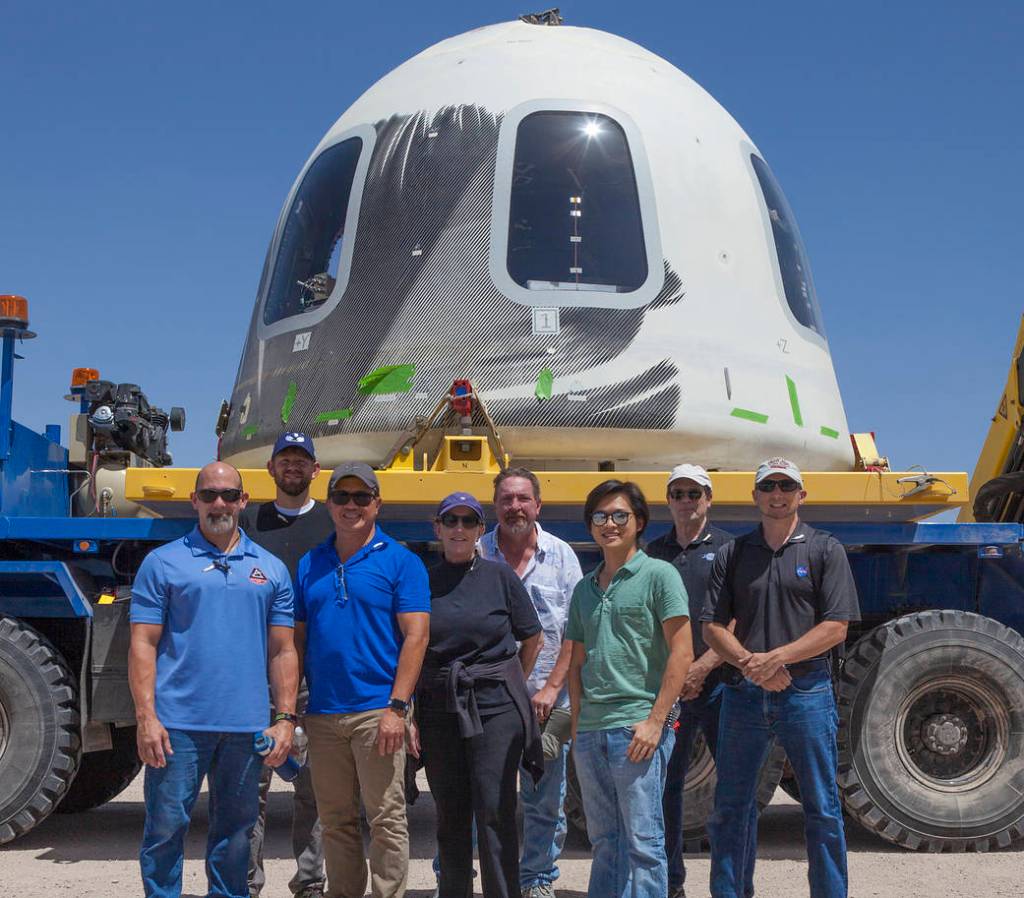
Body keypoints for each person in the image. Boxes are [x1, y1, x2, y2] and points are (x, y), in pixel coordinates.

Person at [129, 461, 299, 898]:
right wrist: (147, 717)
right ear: (194, 501)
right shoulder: (162, 563)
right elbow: (143, 644)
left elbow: (283, 650)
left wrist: (284, 719)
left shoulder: (271, 569)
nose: (218, 503)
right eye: (208, 495)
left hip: (245, 728)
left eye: (228, 494)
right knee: (166, 829)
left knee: (236, 834)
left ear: (244, 500)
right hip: (177, 726)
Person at [702, 458, 860, 898]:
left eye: (786, 485)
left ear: (801, 495)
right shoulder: (735, 553)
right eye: (767, 486)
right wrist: (751, 664)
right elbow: (712, 626)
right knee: (730, 808)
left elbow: (836, 626)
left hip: (806, 693)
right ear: (755, 496)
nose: (777, 493)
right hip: (743, 696)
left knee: (823, 809)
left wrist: (776, 660)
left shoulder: (825, 549)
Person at [294, 462, 430, 898]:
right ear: (329, 503)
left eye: (361, 497)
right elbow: (294, 641)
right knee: (334, 820)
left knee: (386, 818)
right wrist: (288, 706)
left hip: (378, 712)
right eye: (341, 497)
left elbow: (416, 636)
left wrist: (397, 708)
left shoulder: (401, 561)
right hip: (323, 714)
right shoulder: (310, 563)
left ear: (377, 503)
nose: (351, 506)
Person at [565, 480, 693, 898]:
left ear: (639, 522)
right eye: (600, 517)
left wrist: (656, 722)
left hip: (635, 730)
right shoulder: (585, 588)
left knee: (644, 844)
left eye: (620, 515)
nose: (610, 524)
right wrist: (578, 728)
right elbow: (577, 661)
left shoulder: (660, 575)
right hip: (591, 733)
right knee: (604, 842)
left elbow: (682, 652)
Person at [414, 491, 544, 898]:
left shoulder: (500, 576)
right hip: (439, 707)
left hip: (494, 708)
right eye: (450, 521)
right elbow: (410, 645)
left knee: (494, 810)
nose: (458, 529)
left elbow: (533, 637)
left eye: (467, 522)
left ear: (480, 531)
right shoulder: (423, 580)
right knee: (450, 815)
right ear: (437, 528)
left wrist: (507, 682)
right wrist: (409, 713)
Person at [479, 468, 583, 898]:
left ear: (538, 505)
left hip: (548, 700)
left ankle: (537, 879)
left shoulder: (561, 556)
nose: (515, 507)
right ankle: (460, 877)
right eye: (506, 499)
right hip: (487, 700)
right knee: (481, 796)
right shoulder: (478, 552)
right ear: (495, 504)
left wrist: (551, 689)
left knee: (545, 798)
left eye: (523, 499)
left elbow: (577, 630)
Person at [241, 432, 331, 898]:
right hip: (257, 676)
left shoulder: (333, 523)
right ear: (272, 469)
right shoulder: (249, 521)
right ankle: (248, 882)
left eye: (301, 460)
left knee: (313, 791)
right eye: (285, 459)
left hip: (316, 678)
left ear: (315, 470)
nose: (293, 466)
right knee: (248, 789)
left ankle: (311, 882)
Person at [646, 464, 734, 898]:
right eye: (678, 493)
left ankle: (731, 885)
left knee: (734, 790)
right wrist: (677, 675)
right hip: (672, 690)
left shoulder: (729, 550)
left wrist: (703, 667)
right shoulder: (652, 552)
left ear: (708, 499)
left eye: (694, 494)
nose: (686, 501)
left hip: (718, 685)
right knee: (666, 790)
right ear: (669, 501)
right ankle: (670, 885)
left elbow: (740, 617)